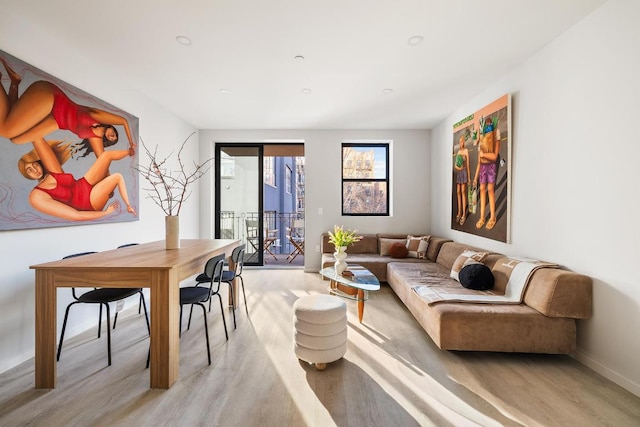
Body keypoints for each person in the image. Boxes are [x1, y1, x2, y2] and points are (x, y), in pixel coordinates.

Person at [0, 56, 135, 157]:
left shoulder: (96, 137)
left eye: (112, 139)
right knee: (6, 130)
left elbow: (103, 159)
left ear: (108, 141)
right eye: (115, 134)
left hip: (57, 121)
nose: (112, 136)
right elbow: (123, 121)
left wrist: (125, 154)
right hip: (53, 99)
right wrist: (131, 142)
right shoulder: (96, 117)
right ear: (110, 126)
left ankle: (14, 84)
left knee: (16, 139)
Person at [18, 138, 136, 221]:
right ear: (26, 175)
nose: (35, 170)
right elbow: (76, 215)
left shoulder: (52, 174)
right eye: (29, 170)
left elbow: (36, 138)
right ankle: (129, 206)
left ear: (39, 163)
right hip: (87, 203)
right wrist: (105, 213)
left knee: (106, 156)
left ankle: (130, 152)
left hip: (83, 185)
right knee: (117, 177)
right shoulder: (36, 196)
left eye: (35, 165)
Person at [473, 116, 500, 230]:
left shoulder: (495, 135)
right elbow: (479, 162)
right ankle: (482, 217)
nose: (487, 127)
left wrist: (484, 155)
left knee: (489, 189)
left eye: (489, 125)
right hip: (483, 166)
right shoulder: (481, 141)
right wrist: (475, 178)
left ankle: (492, 217)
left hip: (490, 166)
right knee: (482, 190)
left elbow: (494, 156)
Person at [453, 134, 470, 225]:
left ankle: (464, 214)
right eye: (459, 142)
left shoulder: (466, 151)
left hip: (463, 172)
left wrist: (469, 178)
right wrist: (458, 168)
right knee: (458, 192)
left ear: (464, 142)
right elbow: (456, 165)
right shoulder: (459, 152)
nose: (461, 143)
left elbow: (467, 165)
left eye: (462, 141)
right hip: (459, 173)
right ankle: (459, 212)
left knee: (463, 192)